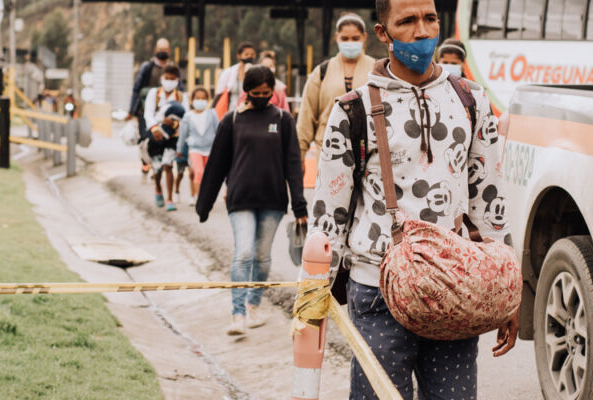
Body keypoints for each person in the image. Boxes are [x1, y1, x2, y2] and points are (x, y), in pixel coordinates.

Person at [309, 0, 516, 398]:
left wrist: (508, 293)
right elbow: (328, 214)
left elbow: (489, 198)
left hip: (456, 289)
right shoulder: (351, 111)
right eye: (406, 21)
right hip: (376, 291)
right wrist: (313, 296)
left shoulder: (471, 100)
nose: (421, 31)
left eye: (430, 18)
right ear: (383, 33)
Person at [196, 65, 307, 336]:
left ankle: (254, 305)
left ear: (273, 92)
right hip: (240, 199)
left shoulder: (283, 119)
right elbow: (216, 166)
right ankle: (237, 313)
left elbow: (293, 163)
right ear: (246, 91)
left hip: (272, 201)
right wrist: (204, 205)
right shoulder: (232, 120)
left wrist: (299, 205)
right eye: (255, 93)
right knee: (243, 254)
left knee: (262, 258)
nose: (261, 97)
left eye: (266, 93)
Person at [296, 12, 376, 163]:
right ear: (336, 38)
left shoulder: (376, 69)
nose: (350, 42)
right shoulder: (321, 71)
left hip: (368, 152)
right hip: (328, 151)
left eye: (355, 38)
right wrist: (300, 151)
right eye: (345, 38)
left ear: (364, 37)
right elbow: (307, 115)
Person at [130, 38, 174, 181]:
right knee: (145, 139)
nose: (163, 51)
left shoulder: (172, 69)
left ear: (169, 51)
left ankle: (157, 167)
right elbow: (137, 89)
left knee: (162, 139)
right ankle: (146, 165)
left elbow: (179, 89)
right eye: (160, 48)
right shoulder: (147, 67)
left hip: (165, 111)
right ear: (156, 50)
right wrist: (132, 110)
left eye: (165, 49)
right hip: (145, 111)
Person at [178, 87, 218, 206]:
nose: (200, 101)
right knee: (199, 172)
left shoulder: (212, 114)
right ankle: (199, 198)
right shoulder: (188, 116)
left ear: (207, 100)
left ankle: (207, 197)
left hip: (210, 149)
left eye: (203, 98)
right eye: (197, 98)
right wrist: (179, 149)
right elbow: (183, 134)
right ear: (192, 100)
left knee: (208, 175)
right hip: (195, 149)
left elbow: (219, 131)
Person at [145, 102, 186, 212]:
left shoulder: (181, 97)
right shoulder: (155, 95)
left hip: (172, 141)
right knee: (157, 169)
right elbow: (148, 116)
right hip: (156, 140)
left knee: (168, 166)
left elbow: (186, 119)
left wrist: (174, 125)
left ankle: (169, 199)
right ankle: (158, 188)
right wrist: (159, 124)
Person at [214, 42, 257, 116]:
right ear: (239, 56)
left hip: (252, 113)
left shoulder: (257, 72)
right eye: (246, 54)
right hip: (232, 112)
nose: (250, 57)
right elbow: (219, 93)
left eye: (252, 54)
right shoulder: (229, 72)